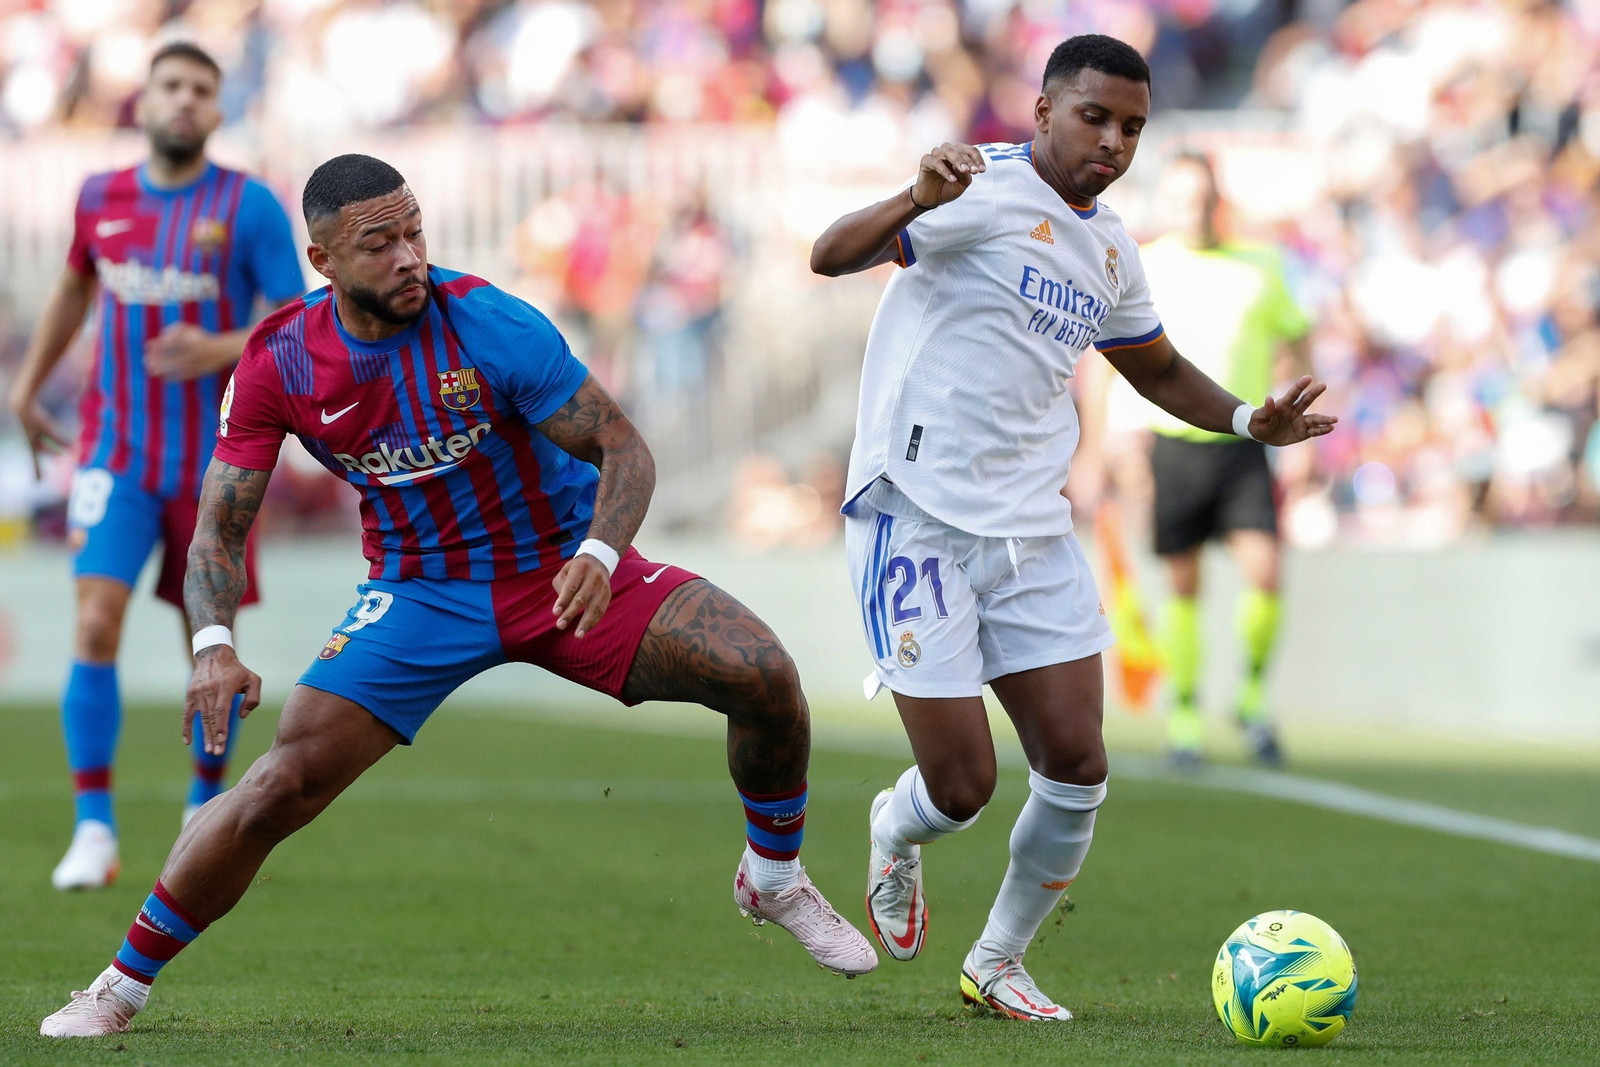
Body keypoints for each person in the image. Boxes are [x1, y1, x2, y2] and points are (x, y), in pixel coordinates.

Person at [38, 153, 875, 1039]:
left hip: (560, 571)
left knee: (763, 671)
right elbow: (218, 528)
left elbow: (625, 448)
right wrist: (212, 646)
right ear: (323, 263)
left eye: (414, 232)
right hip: (418, 592)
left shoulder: (487, 322)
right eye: (379, 243)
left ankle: (774, 876)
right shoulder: (280, 359)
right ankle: (117, 987)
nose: (409, 257)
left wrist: (599, 548)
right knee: (278, 781)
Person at [809, 35, 1334, 1020]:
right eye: (1094, 116)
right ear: (1043, 107)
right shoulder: (979, 190)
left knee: (1077, 760)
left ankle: (997, 959)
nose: (1113, 141)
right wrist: (913, 199)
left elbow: (1154, 365)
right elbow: (829, 255)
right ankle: (895, 825)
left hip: (1029, 531)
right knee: (961, 784)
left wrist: (1243, 419)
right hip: (914, 519)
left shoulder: (1109, 248)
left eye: (1131, 126)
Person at [6, 42, 305, 890]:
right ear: (144, 101)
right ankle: (93, 829)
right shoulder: (99, 197)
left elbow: (300, 316)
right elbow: (73, 285)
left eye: (201, 90)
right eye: (170, 85)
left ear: (217, 110)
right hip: (116, 451)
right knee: (94, 620)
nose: (184, 100)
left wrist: (216, 344)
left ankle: (203, 804)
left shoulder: (247, 207)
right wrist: (29, 389)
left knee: (205, 639)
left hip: (219, 460)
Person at [1121, 152, 1312, 766]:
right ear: (1166, 202)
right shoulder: (1144, 264)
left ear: (1217, 200)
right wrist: (1107, 442)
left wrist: (1297, 411)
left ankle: (1251, 697)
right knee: (1183, 586)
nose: (1193, 209)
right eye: (1181, 198)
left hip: (1244, 444)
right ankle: (1183, 717)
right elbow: (1112, 362)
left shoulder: (1261, 265)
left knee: (1266, 573)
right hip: (1171, 444)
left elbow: (1296, 338)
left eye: (1202, 197)